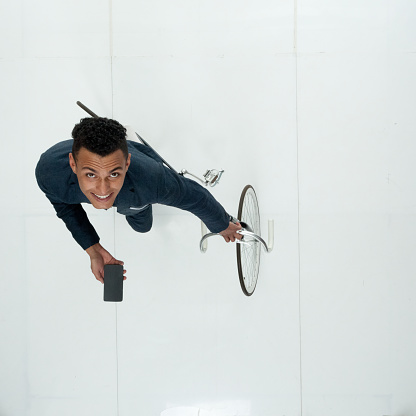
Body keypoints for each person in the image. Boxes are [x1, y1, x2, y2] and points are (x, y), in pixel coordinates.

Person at [35, 117, 242, 284]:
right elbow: (66, 209)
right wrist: (94, 250)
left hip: (137, 187)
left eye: (113, 174)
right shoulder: (49, 173)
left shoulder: (152, 180)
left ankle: (131, 144)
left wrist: (222, 225)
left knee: (142, 225)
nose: (103, 189)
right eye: (91, 175)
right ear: (72, 163)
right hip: (121, 183)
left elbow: (195, 197)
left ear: (126, 163)